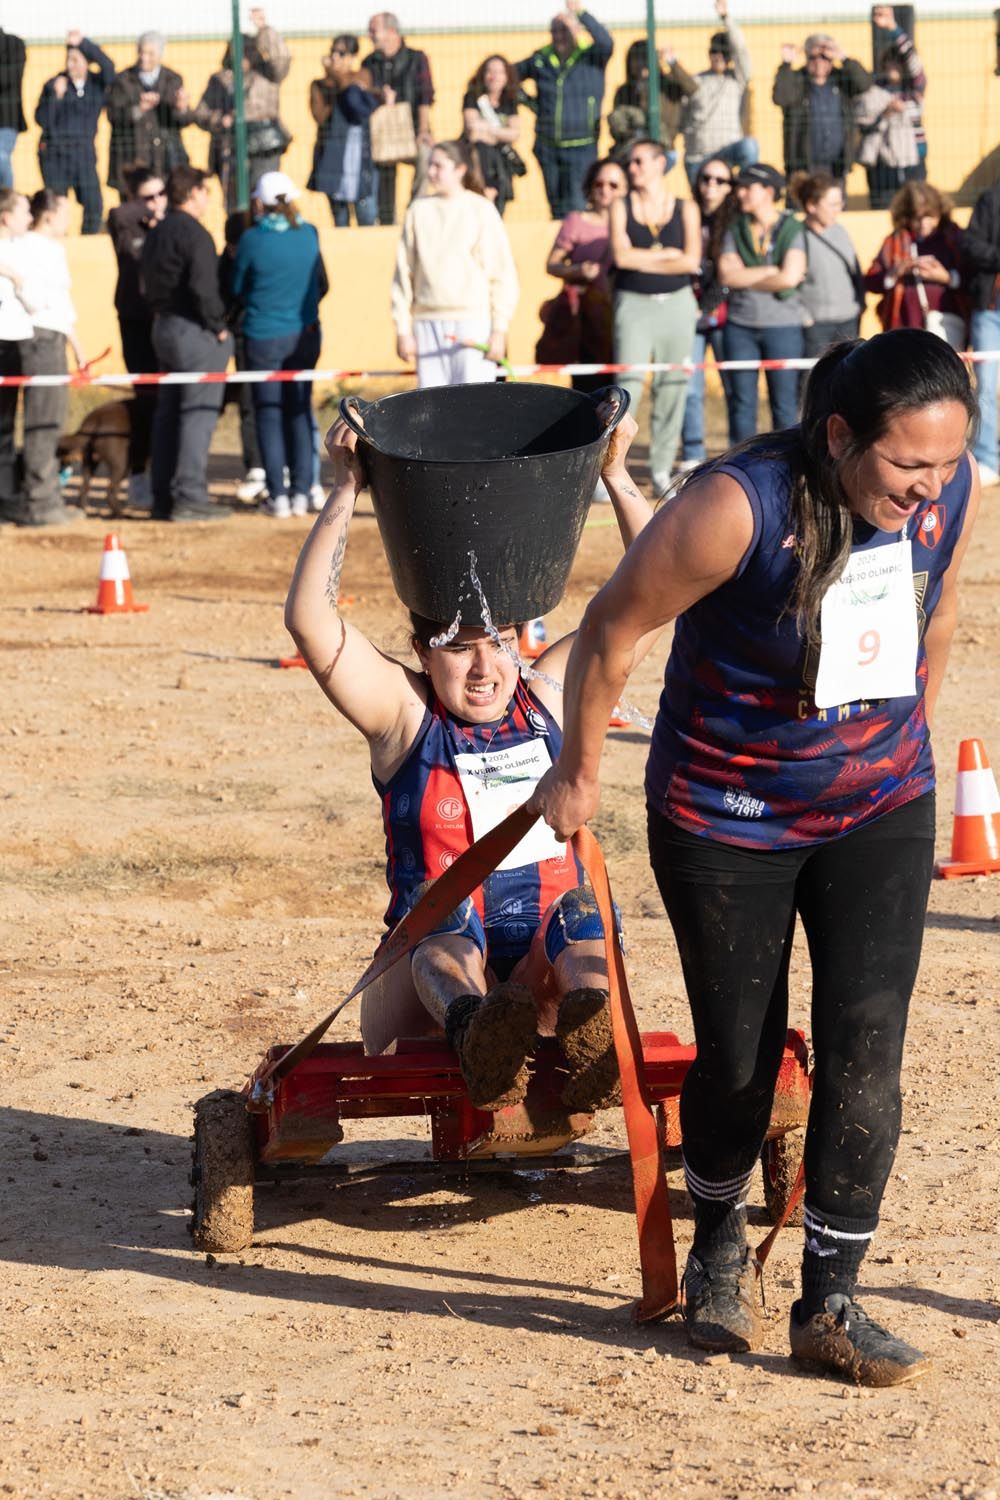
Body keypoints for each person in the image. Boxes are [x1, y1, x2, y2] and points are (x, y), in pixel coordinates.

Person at [527, 327, 980, 1386]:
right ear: (836, 435)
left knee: (869, 1040)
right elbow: (609, 630)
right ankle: (720, 1242)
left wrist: (902, 732)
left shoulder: (948, 498)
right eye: (907, 464)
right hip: (727, 810)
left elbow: (941, 607)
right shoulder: (737, 507)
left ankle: (831, 1298)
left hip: (880, 800)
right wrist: (579, 771)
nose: (929, 487)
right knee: (740, 1050)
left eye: (948, 464)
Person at [284, 397, 652, 1112]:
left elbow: (654, 596)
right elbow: (309, 618)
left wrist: (617, 472)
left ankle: (591, 1031)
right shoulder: (404, 713)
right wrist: (346, 487)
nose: (485, 670)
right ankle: (476, 1031)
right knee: (439, 913)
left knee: (580, 912)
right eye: (458, 648)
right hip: (423, 993)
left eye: (501, 643)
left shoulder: (546, 693)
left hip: (545, 971)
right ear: (423, 650)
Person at [231, 172, 326, 519]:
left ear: (261, 202)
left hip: (263, 336)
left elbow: (238, 285)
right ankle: (302, 491)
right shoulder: (310, 233)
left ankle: (279, 495)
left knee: (268, 414)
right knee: (299, 409)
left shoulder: (253, 240)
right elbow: (321, 282)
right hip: (304, 334)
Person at [141, 165, 233, 523]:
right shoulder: (195, 234)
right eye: (205, 191)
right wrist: (218, 327)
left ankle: (162, 496)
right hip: (193, 331)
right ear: (193, 193)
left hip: (163, 326)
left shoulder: (158, 231)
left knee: (169, 414)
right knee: (198, 415)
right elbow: (202, 289)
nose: (208, 198)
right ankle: (191, 495)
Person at [610, 137, 701, 495]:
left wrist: (643, 255)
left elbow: (692, 260)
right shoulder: (622, 205)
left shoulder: (685, 207)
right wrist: (669, 256)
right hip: (634, 304)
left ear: (661, 163)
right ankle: (613, 467)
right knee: (626, 388)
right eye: (630, 162)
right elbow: (621, 257)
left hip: (677, 303)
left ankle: (661, 469)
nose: (632, 168)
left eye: (639, 161)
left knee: (672, 388)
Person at [391, 139, 518, 389]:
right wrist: (403, 329)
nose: (431, 172)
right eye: (430, 165)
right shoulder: (418, 210)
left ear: (460, 169)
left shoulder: (481, 209)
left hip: (472, 323)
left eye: (438, 165)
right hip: (426, 324)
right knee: (433, 410)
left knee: (473, 408)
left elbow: (502, 274)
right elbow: (403, 273)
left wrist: (499, 329)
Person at [718, 162, 807, 444]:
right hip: (740, 326)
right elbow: (728, 276)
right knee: (741, 404)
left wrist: (747, 275)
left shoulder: (793, 227)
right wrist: (770, 271)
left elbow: (790, 278)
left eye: (747, 187)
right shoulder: (736, 228)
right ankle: (739, 467)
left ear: (768, 191)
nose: (740, 193)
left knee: (784, 405)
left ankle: (788, 469)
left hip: (783, 327)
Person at [19, 190, 86, 527]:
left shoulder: (52, 249)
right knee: (43, 422)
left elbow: (61, 303)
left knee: (52, 418)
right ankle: (39, 502)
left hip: (53, 336)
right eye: (64, 213)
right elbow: (39, 304)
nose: (69, 220)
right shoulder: (28, 247)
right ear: (48, 215)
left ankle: (44, 497)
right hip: (39, 337)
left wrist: (77, 345)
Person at [516, 1, 614, 221]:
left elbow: (607, 42)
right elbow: (509, 76)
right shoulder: (541, 59)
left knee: (579, 209)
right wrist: (530, 103)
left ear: (577, 31)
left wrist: (580, 12)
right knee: (557, 210)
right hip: (548, 147)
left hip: (582, 148)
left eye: (565, 30)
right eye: (555, 30)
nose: (559, 35)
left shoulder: (591, 57)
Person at [108, 165, 168, 509]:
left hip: (167, 323)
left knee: (168, 404)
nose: (158, 203)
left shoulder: (168, 225)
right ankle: (138, 476)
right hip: (136, 323)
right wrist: (149, 209)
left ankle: (164, 475)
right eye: (149, 196)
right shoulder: (123, 221)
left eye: (162, 194)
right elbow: (118, 213)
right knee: (145, 402)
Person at [542, 155, 627, 394]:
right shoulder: (576, 221)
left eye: (613, 185)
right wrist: (578, 270)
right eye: (599, 184)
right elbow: (552, 264)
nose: (604, 190)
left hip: (622, 315)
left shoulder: (633, 222)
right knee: (588, 391)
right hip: (588, 320)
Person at [194, 10, 291, 212]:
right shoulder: (220, 79)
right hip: (230, 147)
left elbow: (281, 58)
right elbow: (200, 113)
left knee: (264, 195)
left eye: (245, 52)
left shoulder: (267, 75)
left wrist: (264, 29)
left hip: (263, 144)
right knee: (235, 203)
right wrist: (220, 120)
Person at [679, 157, 737, 470]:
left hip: (727, 316)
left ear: (730, 187)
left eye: (720, 180)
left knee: (734, 387)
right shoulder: (685, 215)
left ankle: (737, 453)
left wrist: (706, 306)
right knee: (690, 389)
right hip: (688, 316)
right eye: (706, 178)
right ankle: (692, 453)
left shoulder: (736, 221)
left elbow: (731, 274)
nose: (711, 186)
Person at [864, 181, 966, 350]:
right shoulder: (895, 242)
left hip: (946, 326)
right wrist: (895, 273)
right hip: (904, 327)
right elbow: (871, 281)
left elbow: (975, 279)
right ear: (906, 217)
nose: (924, 224)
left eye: (930, 217)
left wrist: (947, 278)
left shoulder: (953, 239)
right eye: (918, 218)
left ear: (940, 214)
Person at [34, 29, 115, 235]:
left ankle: (87, 241)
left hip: (84, 153)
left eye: (77, 59)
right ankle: (57, 241)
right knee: (57, 205)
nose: (71, 65)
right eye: (69, 59)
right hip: (55, 154)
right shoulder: (54, 84)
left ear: (87, 62)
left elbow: (109, 67)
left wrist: (84, 43)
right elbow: (41, 120)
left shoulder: (96, 85)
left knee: (93, 204)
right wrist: (55, 97)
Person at [364, 13, 435, 227]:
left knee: (426, 157)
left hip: (412, 128)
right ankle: (387, 221)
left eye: (374, 30)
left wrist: (423, 130)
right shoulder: (369, 62)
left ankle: (416, 212)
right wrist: (378, 93)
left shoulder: (416, 58)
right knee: (384, 169)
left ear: (391, 32)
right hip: (383, 132)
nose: (369, 35)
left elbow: (425, 96)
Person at [772, 32, 871, 181]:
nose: (819, 62)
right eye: (813, 57)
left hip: (836, 166)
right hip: (803, 165)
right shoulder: (797, 80)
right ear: (806, 57)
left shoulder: (841, 79)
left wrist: (843, 57)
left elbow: (864, 84)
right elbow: (780, 97)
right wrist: (786, 64)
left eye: (825, 57)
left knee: (833, 203)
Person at [679, 0, 758, 188]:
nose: (717, 57)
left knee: (749, 146)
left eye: (722, 53)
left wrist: (726, 18)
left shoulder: (736, 80)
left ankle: (747, 190)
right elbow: (683, 117)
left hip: (726, 152)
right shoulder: (696, 81)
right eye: (714, 52)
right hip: (698, 155)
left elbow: (741, 49)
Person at [854, 13, 927, 212]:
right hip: (883, 161)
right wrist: (886, 112)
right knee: (884, 207)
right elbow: (865, 123)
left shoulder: (914, 90)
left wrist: (893, 27)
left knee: (914, 207)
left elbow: (914, 60)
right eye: (889, 62)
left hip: (913, 159)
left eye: (897, 62)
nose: (892, 66)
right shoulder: (875, 90)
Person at [789, 169, 863, 359]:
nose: (838, 209)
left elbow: (855, 270)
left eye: (840, 203)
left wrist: (859, 305)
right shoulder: (797, 237)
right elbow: (789, 281)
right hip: (816, 325)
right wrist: (805, 317)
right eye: (832, 204)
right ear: (811, 206)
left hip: (848, 319)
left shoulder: (841, 231)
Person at [105, 32, 190, 198]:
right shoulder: (123, 80)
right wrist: (138, 109)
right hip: (132, 156)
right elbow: (113, 116)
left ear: (159, 55)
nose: (144, 58)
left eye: (150, 54)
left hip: (165, 158)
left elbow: (182, 120)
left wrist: (181, 108)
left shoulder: (172, 80)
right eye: (141, 52)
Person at [308, 35, 380, 228]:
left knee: (367, 213)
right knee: (340, 217)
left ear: (352, 56)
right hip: (333, 154)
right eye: (332, 52)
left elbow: (352, 91)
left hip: (361, 154)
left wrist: (333, 73)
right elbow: (320, 116)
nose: (335, 57)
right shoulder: (319, 85)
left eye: (341, 53)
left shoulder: (362, 75)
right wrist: (332, 85)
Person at [0, 190, 35, 525]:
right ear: (6, 217)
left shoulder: (21, 250)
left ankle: (8, 495)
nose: (30, 218)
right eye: (24, 211)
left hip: (14, 342)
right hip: (5, 342)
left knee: (7, 424)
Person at [962, 179, 1000, 487]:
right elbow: (970, 244)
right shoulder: (991, 199)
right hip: (990, 309)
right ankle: (987, 458)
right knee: (986, 385)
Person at [607, 39, 694, 169]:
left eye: (645, 59)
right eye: (636, 59)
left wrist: (672, 61)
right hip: (631, 148)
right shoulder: (624, 90)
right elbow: (617, 125)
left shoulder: (667, 85)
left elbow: (691, 88)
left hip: (663, 148)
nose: (641, 64)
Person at [462, 55, 523, 218]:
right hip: (478, 161)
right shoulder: (473, 97)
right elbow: (473, 131)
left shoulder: (509, 100)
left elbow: (515, 134)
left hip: (501, 164)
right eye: (490, 71)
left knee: (499, 206)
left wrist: (487, 130)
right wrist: (501, 133)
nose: (494, 76)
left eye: (499, 72)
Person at [0, 26, 27, 190]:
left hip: (5, 121)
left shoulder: (14, 44)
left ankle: (7, 204)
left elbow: (8, 78)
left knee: (1, 159)